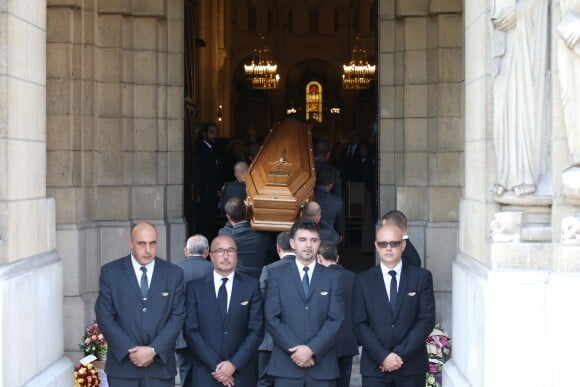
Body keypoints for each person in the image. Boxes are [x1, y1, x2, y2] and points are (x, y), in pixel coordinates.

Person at [95, 222, 185, 387]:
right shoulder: (111, 273)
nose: (148, 250)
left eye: (152, 243)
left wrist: (153, 350)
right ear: (130, 242)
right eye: (141, 244)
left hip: (160, 369)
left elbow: (177, 316)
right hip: (123, 369)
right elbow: (104, 316)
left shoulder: (173, 274)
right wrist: (132, 351)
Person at [353, 224, 435, 387]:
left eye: (394, 243)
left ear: (403, 245)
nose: (388, 248)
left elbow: (426, 320)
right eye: (383, 244)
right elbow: (360, 324)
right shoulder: (362, 281)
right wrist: (383, 356)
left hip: (411, 367)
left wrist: (398, 356)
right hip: (375, 368)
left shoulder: (421, 277)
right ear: (376, 246)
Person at [264, 220, 344, 387]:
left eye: (314, 240)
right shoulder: (276, 275)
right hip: (286, 366)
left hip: (322, 367)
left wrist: (311, 350)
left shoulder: (333, 277)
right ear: (292, 243)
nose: (308, 245)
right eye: (302, 240)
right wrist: (297, 350)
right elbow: (272, 317)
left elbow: (336, 319)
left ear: (319, 244)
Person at [183, 235, 264, 387]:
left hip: (241, 374)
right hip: (205, 373)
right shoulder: (195, 288)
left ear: (236, 255)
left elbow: (256, 331)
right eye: (220, 251)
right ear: (210, 255)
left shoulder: (252, 287)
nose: (226, 256)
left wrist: (233, 364)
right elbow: (191, 331)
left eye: (230, 251)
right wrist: (217, 367)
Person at [491, 0, 548, 197]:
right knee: (501, 104)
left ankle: (522, 174)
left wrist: (519, 11)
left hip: (524, 39)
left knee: (521, 100)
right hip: (504, 39)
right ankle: (506, 173)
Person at [316, 241, 358, 387]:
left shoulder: (318, 278)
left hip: (325, 343)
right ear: (337, 258)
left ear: (319, 259)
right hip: (347, 341)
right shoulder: (353, 277)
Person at [258, 231, 296, 387]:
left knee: (265, 381)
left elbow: (260, 299)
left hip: (269, 339)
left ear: (278, 248)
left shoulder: (269, 269)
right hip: (297, 340)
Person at [175, 234, 213, 387]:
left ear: (186, 251)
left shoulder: (173, 272)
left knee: (186, 378)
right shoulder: (216, 270)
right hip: (210, 337)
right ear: (207, 252)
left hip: (182, 336)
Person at [218, 197, 276, 278]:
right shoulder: (263, 235)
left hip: (236, 280)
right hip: (258, 279)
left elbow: (227, 226)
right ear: (247, 212)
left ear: (228, 217)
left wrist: (233, 215)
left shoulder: (224, 234)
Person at [194, 122, 223, 240]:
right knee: (205, 223)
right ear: (205, 133)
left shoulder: (213, 149)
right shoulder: (202, 149)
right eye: (211, 132)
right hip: (205, 193)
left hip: (211, 193)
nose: (214, 135)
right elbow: (200, 173)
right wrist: (198, 193)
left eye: (216, 133)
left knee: (210, 222)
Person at [315, 166, 344, 237]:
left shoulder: (308, 197)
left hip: (309, 237)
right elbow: (339, 223)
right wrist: (340, 235)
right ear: (331, 184)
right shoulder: (337, 201)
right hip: (328, 239)